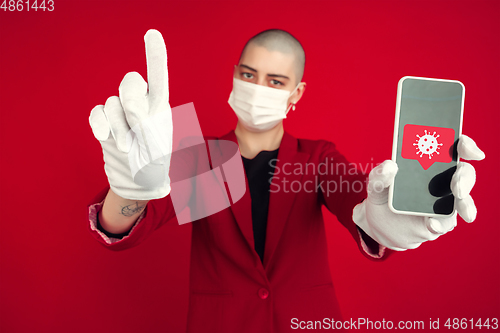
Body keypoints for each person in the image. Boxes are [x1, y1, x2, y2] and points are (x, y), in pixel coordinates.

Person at [87, 29, 484, 332]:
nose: (258, 89)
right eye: (249, 74)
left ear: (297, 93)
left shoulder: (315, 157)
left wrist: (387, 221)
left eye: (276, 81)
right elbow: (129, 224)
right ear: (234, 76)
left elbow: (357, 200)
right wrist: (129, 190)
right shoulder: (203, 157)